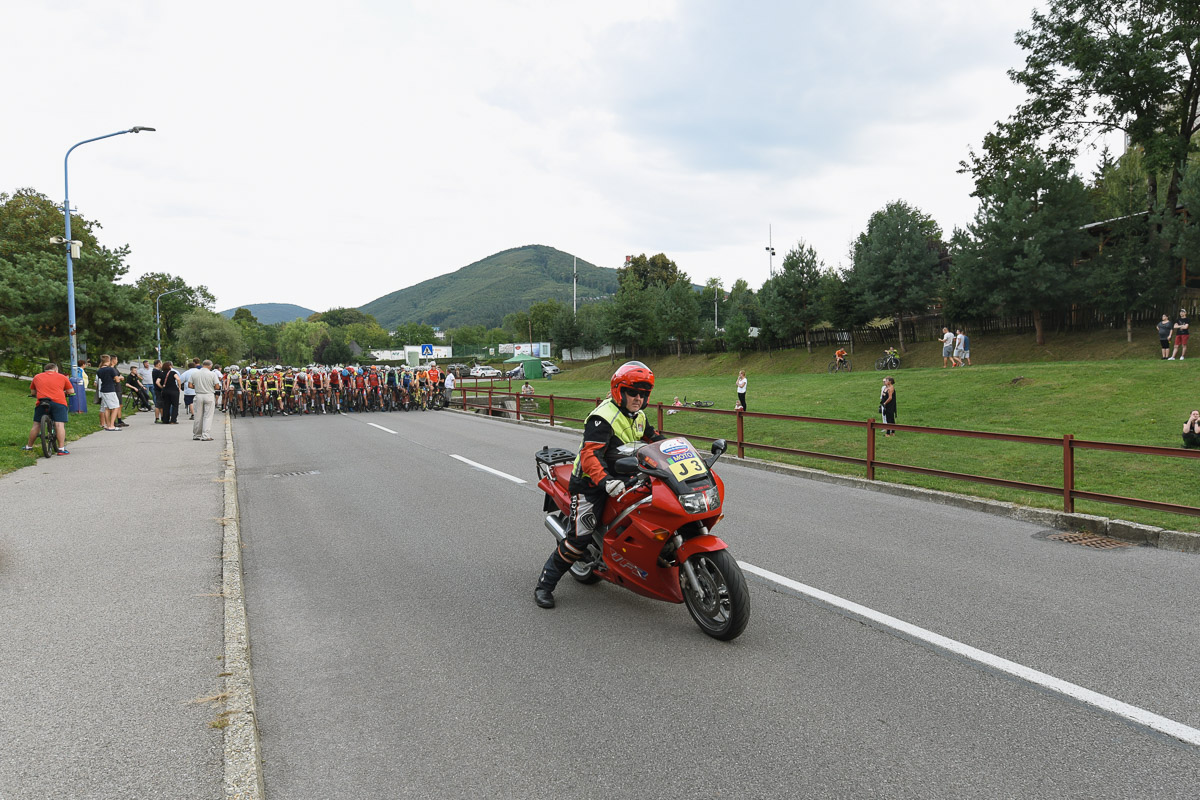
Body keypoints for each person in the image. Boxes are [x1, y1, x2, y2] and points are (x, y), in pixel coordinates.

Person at [534, 361, 665, 609]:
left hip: (626, 477)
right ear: (619, 391)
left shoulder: (639, 416)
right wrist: (606, 482)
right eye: (632, 392)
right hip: (591, 485)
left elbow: (656, 441)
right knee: (579, 540)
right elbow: (590, 456)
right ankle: (545, 585)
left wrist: (680, 455)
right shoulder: (602, 418)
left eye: (643, 393)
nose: (638, 398)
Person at [22, 362, 75, 455]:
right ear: (56, 370)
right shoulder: (62, 377)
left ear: (45, 370)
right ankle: (61, 449)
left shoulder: (37, 377)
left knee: (36, 424)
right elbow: (71, 391)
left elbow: (33, 392)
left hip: (42, 402)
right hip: (58, 403)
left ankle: (29, 446)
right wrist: (64, 392)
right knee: (59, 424)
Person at [189, 360, 219, 440]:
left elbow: (190, 385)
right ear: (210, 365)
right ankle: (205, 435)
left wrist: (198, 386)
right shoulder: (212, 374)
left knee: (198, 416)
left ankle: (196, 435)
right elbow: (217, 387)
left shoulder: (195, 373)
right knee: (208, 416)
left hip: (198, 395)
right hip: (209, 395)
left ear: (203, 365)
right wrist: (210, 387)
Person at [96, 354, 124, 431]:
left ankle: (108, 425)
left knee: (107, 408)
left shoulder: (99, 370)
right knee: (116, 406)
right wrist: (119, 378)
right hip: (110, 390)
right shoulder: (110, 369)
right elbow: (117, 380)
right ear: (109, 360)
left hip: (103, 390)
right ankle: (112, 425)